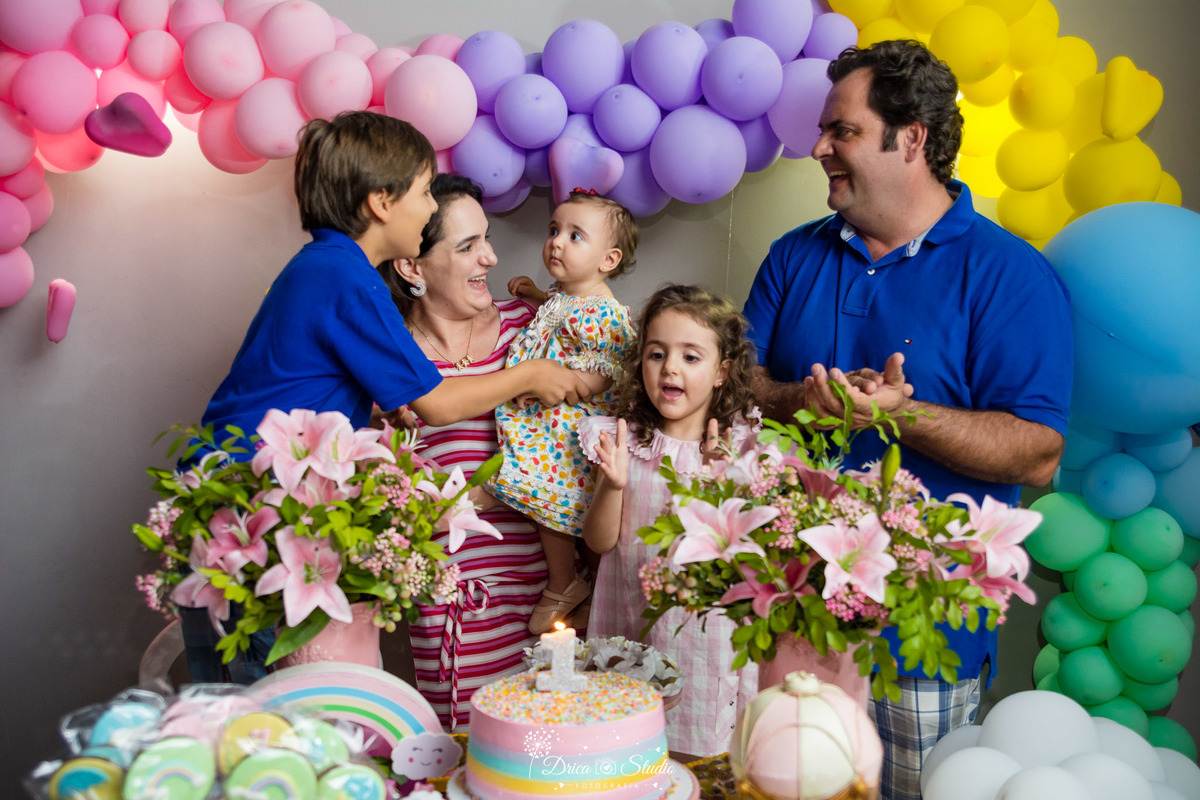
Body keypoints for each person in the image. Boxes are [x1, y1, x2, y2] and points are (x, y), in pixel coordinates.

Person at [742, 41, 1073, 799]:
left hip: (924, 642)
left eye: (843, 131)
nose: (819, 148)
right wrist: (803, 401)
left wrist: (901, 415)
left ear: (912, 138)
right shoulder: (793, 256)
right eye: (824, 131)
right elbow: (734, 387)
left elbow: (1038, 453)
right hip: (785, 617)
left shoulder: (1011, 275)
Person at [185, 112, 592, 684]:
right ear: (381, 202)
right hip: (248, 504)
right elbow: (438, 404)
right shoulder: (346, 276)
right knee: (270, 703)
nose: (429, 207)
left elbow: (329, 383)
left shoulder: (327, 267)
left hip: (239, 498)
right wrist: (531, 374)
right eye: (423, 192)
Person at [379, 174, 548, 731]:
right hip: (455, 615)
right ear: (413, 267)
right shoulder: (389, 362)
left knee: (559, 755)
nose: (491, 257)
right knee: (476, 760)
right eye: (468, 245)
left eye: (487, 238)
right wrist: (484, 496)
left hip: (550, 600)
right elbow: (387, 508)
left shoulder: (531, 329)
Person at [581, 284, 761, 759]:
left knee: (703, 760)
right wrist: (612, 485)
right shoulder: (623, 442)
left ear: (722, 372)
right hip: (631, 624)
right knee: (630, 754)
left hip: (708, 641)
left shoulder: (740, 450)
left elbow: (747, 562)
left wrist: (721, 484)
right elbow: (599, 543)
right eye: (657, 353)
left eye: (690, 356)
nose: (670, 368)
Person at [488, 190, 639, 634]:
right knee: (557, 508)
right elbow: (558, 315)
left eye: (575, 236)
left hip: (570, 431)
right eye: (554, 230)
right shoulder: (570, 296)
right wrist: (536, 294)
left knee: (552, 500)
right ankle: (581, 585)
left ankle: (564, 583)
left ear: (608, 259)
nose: (556, 241)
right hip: (550, 423)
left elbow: (600, 375)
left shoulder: (603, 312)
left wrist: (539, 390)